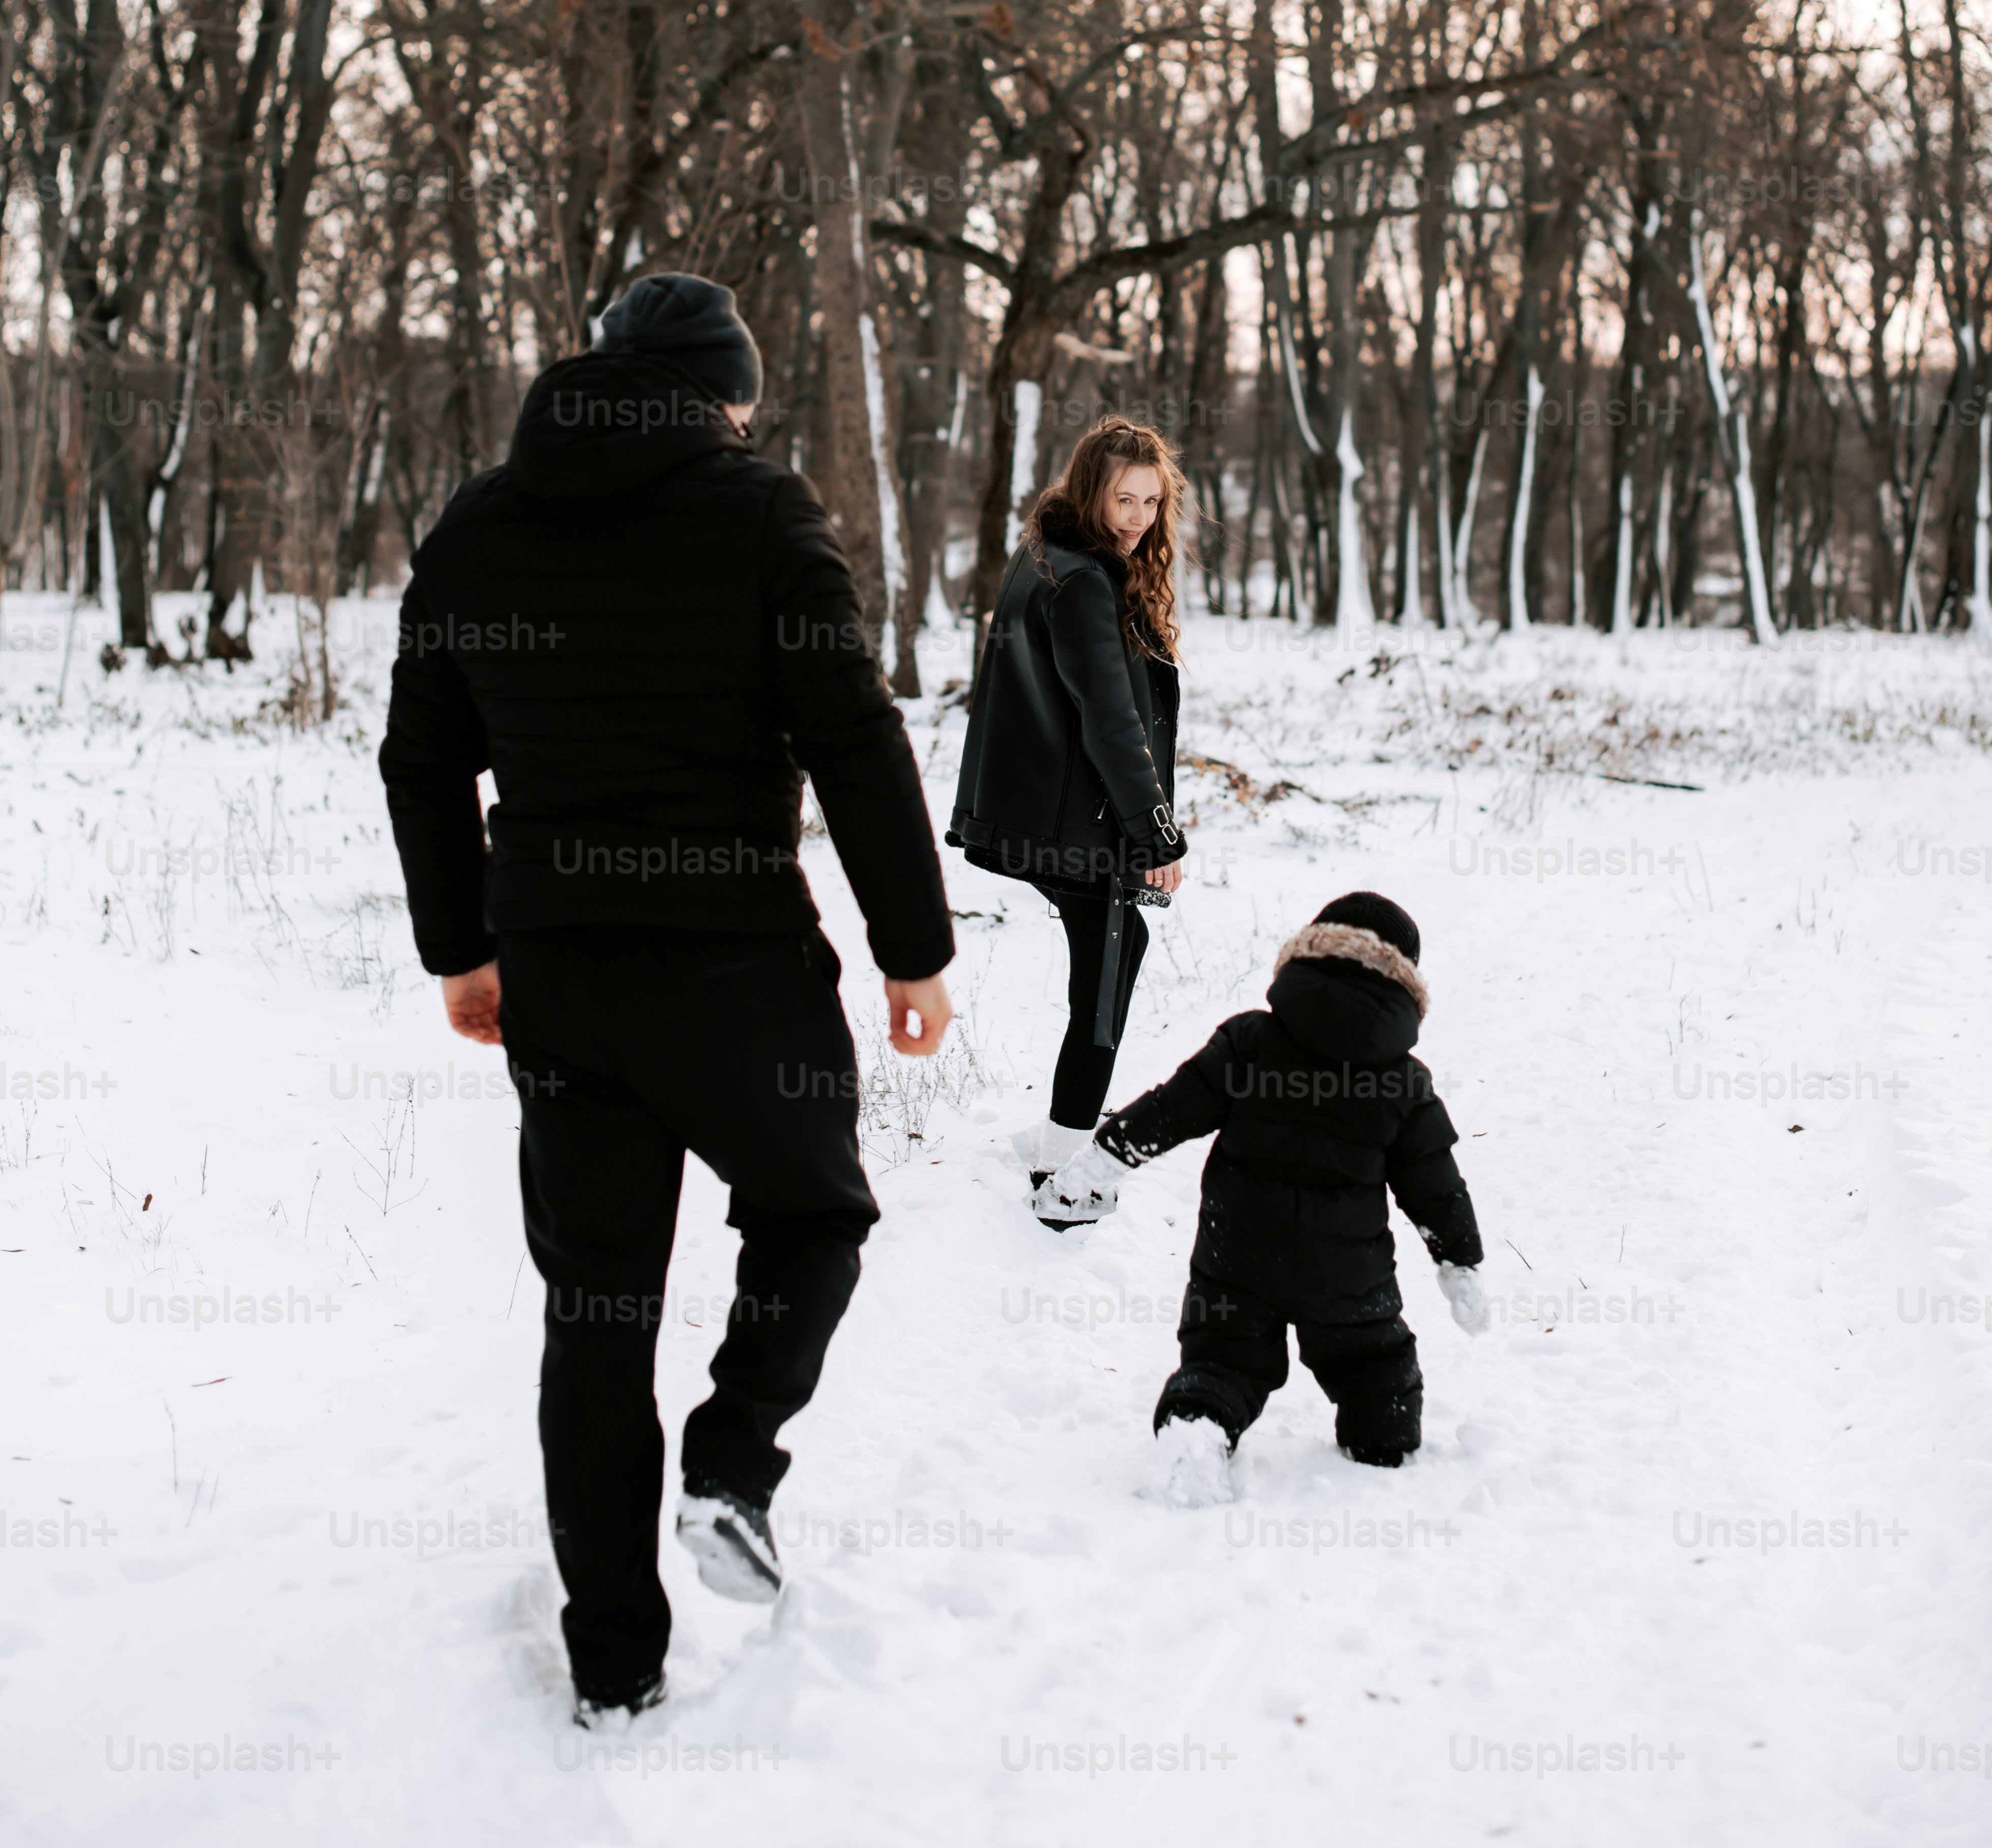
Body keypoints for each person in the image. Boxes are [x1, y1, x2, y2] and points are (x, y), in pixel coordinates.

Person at [378, 272, 955, 1724]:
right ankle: (732, 1460)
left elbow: (421, 757)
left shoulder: (474, 524)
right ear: (717, 392)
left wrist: (461, 946)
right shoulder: (758, 509)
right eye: (744, 398)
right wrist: (912, 947)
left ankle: (613, 1666)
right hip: (734, 956)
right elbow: (851, 728)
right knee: (815, 1209)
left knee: (594, 1309)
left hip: (558, 965)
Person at [1035, 889, 1488, 1503]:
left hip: (1236, 1254)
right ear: (1401, 979)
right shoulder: (1403, 1079)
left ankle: (1197, 1433)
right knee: (1372, 1364)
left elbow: (1173, 1108)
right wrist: (1459, 1261)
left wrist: (1103, 1158)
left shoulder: (1250, 1039)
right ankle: (1381, 1440)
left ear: (1311, 948)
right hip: (1346, 1273)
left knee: (1222, 1359)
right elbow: (1435, 1183)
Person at [948, 418, 1187, 1222]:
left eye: (1151, 502)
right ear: (1090, 489)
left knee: (1112, 953)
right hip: (1073, 818)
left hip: (1035, 810)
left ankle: (1061, 1130)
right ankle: (1062, 1171)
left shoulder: (1043, 556)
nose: (1137, 517)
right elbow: (1110, 722)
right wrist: (1155, 834)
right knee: (1111, 962)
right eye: (1123, 498)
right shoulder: (1082, 581)